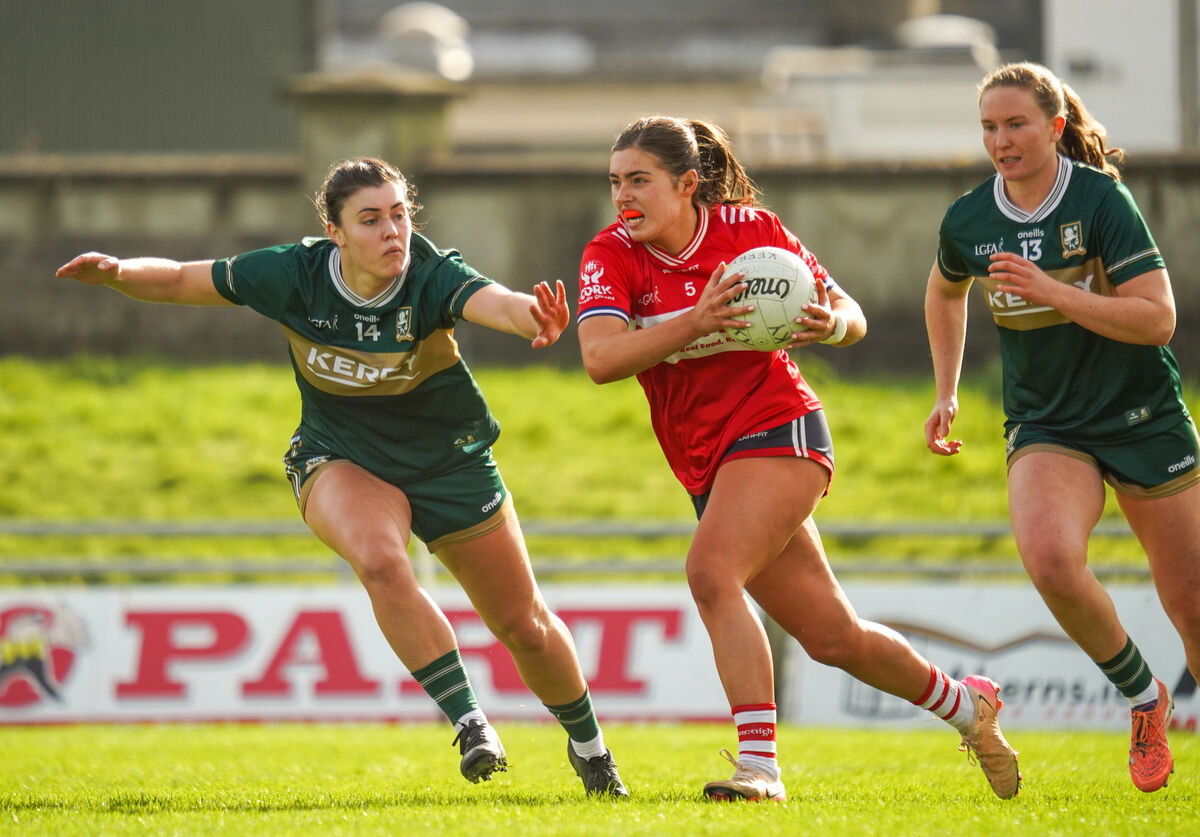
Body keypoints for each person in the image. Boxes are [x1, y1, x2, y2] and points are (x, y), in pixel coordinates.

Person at [56, 157, 628, 798]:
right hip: (341, 455)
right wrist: (118, 272)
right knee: (380, 562)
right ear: (336, 232)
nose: (392, 232)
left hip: (449, 460)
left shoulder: (430, 274)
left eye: (400, 215)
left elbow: (495, 302)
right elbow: (183, 280)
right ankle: (470, 723)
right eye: (370, 220)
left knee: (523, 625)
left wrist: (534, 317)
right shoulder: (292, 275)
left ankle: (591, 750)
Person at [576, 115, 1020, 802]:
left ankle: (760, 766)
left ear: (688, 184)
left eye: (639, 180)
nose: (623, 196)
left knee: (710, 571)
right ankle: (968, 707)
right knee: (834, 637)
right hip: (706, 458)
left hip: (782, 427)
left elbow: (850, 312)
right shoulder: (610, 254)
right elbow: (601, 358)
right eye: (615, 182)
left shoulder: (751, 232)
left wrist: (831, 324)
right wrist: (698, 319)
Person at [924, 62, 1200, 793]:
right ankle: (1145, 698)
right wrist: (947, 390)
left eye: (1016, 124)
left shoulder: (1101, 200)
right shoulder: (969, 219)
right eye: (989, 127)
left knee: (1194, 608)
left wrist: (1053, 291)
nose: (1001, 140)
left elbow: (1158, 319)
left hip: (1142, 417)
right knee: (1048, 557)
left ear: (1054, 126)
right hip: (1047, 422)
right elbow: (944, 292)